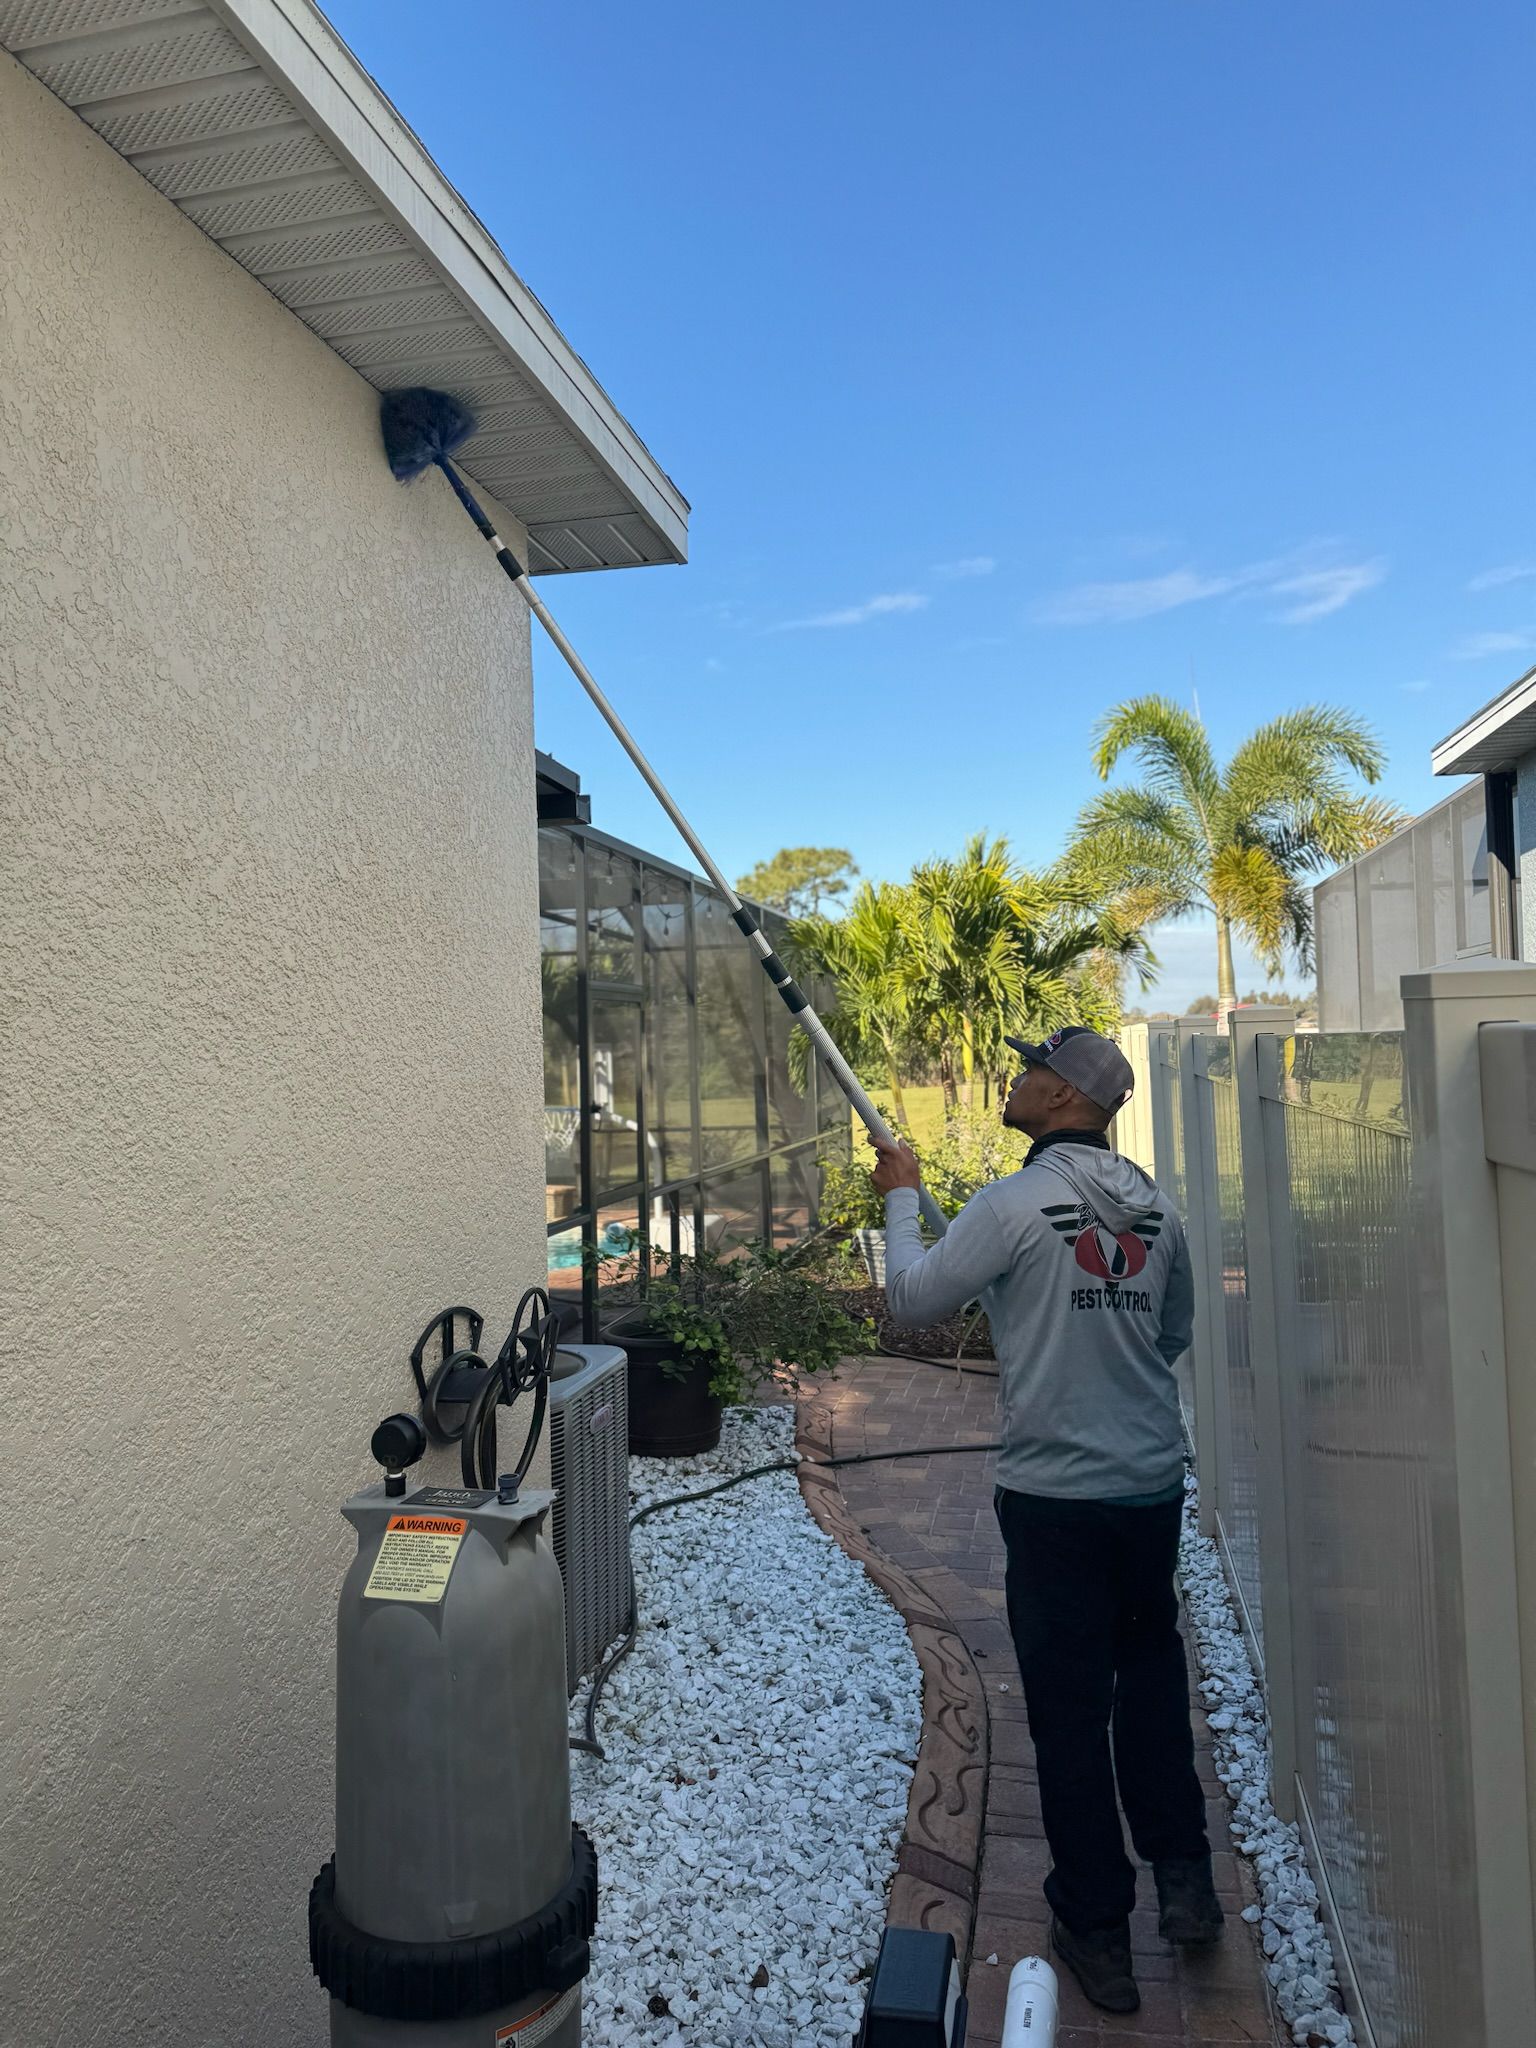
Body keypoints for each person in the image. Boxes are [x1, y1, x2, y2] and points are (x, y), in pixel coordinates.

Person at [869, 1025, 1220, 2017]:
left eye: (1031, 1067)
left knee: (1067, 1711)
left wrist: (902, 1191)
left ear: (1064, 1095)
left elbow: (909, 1300)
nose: (1015, 1076)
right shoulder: (1156, 1208)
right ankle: (1187, 1885)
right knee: (1149, 1683)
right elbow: (1174, 1332)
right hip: (1149, 1489)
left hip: (1058, 1501)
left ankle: (1097, 1929)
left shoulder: (1015, 1203)